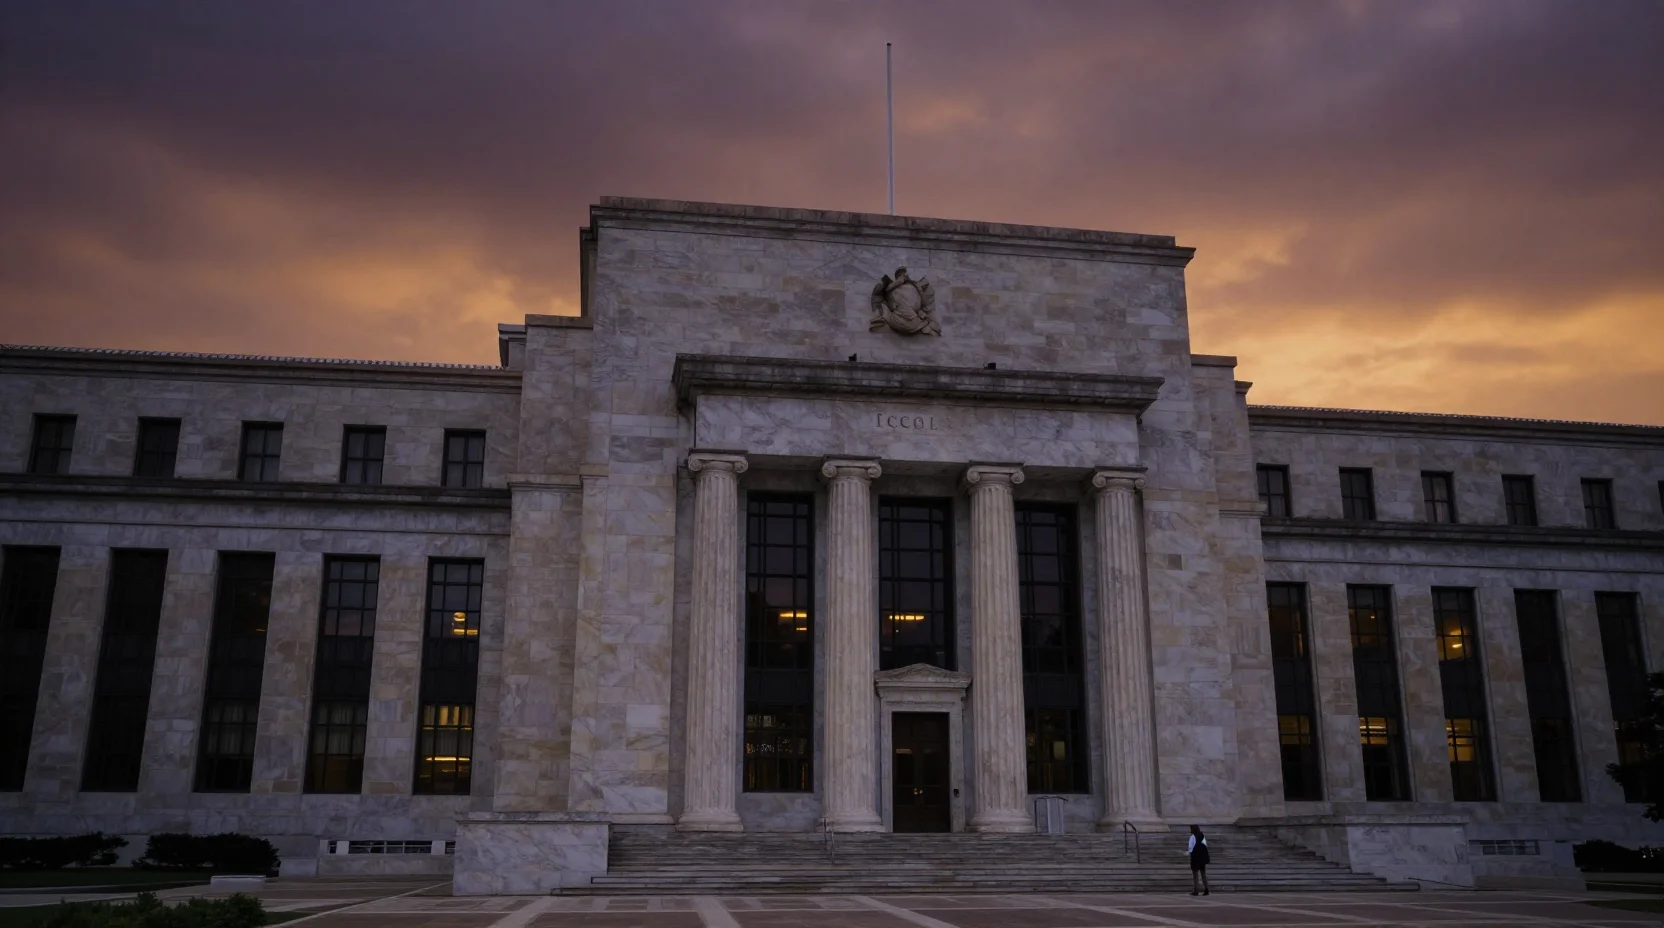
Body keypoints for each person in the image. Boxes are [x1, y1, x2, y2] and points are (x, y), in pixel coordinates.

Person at [1187, 824, 1210, 896]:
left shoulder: (1192, 837)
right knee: (1203, 874)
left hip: (1195, 858)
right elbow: (1205, 846)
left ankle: (1196, 890)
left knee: (1195, 875)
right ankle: (1206, 889)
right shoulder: (1202, 836)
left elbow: (1190, 848)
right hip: (1202, 858)